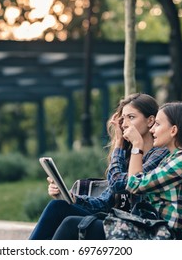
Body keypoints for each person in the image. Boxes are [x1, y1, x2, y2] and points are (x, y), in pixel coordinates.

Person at [52, 101, 182, 240]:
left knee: (72, 225)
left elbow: (134, 184)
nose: (153, 130)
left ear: (173, 130)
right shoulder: (172, 158)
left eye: (158, 125)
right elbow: (132, 184)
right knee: (70, 219)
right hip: (149, 229)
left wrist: (137, 146)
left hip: (164, 235)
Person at [29, 93, 169, 240]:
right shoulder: (127, 156)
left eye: (131, 117)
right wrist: (71, 197)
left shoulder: (159, 154)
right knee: (57, 206)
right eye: (123, 119)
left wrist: (119, 144)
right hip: (115, 221)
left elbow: (118, 184)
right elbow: (104, 203)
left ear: (150, 121)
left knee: (71, 223)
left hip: (138, 227)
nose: (125, 124)